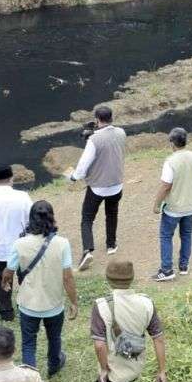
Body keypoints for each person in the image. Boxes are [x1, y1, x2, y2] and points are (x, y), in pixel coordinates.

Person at [0, 200, 78, 377]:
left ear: (30, 219)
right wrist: (74, 302)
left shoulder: (19, 244)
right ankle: (54, 364)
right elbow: (67, 277)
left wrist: (5, 282)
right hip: (54, 303)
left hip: (28, 304)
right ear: (52, 218)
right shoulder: (62, 243)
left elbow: (8, 271)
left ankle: (30, 376)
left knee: (29, 343)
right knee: (54, 338)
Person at [69, 105, 127, 270]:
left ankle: (87, 250)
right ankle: (111, 245)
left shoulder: (94, 140)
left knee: (87, 218)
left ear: (97, 119)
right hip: (116, 184)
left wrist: (74, 177)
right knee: (112, 213)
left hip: (97, 187)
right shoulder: (121, 132)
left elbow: (83, 165)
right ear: (111, 117)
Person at [152, 127, 192, 282]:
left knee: (166, 236)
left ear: (172, 143)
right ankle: (184, 266)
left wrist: (156, 205)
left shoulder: (170, 161)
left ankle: (167, 269)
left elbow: (165, 186)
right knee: (187, 234)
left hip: (174, 208)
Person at [0, 166, 32, 321]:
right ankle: (27, 307)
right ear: (12, 178)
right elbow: (31, 217)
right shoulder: (23, 196)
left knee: (1, 280)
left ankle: (6, 312)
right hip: (21, 245)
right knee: (25, 278)